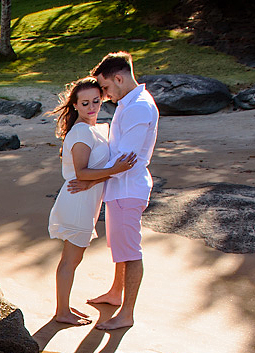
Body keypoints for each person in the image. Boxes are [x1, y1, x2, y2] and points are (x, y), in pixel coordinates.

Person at [74, 51, 160, 330]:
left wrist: (90, 180)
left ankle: (127, 314)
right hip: (120, 188)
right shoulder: (129, 102)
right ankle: (115, 293)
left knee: (131, 252)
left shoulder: (137, 107)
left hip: (127, 189)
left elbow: (126, 159)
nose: (105, 95)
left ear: (119, 78)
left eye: (107, 87)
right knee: (121, 248)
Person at [47, 77, 138, 325]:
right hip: (77, 202)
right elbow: (81, 173)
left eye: (96, 101)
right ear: (75, 105)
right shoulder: (80, 132)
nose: (92, 107)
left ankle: (63, 308)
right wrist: (116, 169)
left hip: (85, 201)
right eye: (85, 103)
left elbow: (90, 175)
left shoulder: (92, 129)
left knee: (72, 259)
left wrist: (103, 176)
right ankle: (62, 312)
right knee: (70, 260)